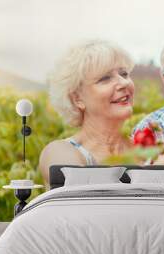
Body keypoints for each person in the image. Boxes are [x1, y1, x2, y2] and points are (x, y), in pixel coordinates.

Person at [39, 39, 135, 183]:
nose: (124, 82)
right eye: (105, 78)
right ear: (77, 98)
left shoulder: (147, 148)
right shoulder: (59, 152)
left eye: (124, 74)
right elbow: (83, 189)